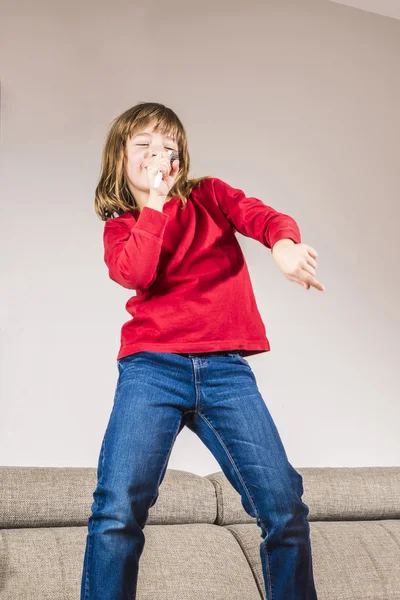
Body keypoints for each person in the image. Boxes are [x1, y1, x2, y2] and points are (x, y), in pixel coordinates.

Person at [80, 101, 323, 600]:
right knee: (116, 510)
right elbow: (136, 272)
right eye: (144, 146)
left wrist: (283, 244)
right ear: (120, 160)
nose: (158, 156)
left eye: (168, 148)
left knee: (284, 508)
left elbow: (263, 217)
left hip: (224, 372)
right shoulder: (121, 225)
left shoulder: (210, 196)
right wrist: (154, 205)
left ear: (181, 159)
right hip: (152, 368)